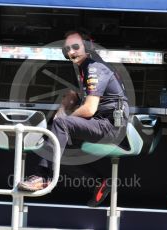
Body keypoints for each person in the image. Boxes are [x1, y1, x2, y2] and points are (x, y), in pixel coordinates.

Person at [17, 30, 129, 207]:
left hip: (110, 126)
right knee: (58, 148)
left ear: (88, 47)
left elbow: (89, 109)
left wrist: (63, 118)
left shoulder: (94, 67)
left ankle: (43, 177)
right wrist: (63, 108)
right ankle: (98, 182)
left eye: (76, 47)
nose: (71, 52)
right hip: (101, 123)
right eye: (67, 49)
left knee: (60, 127)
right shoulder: (84, 67)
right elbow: (75, 94)